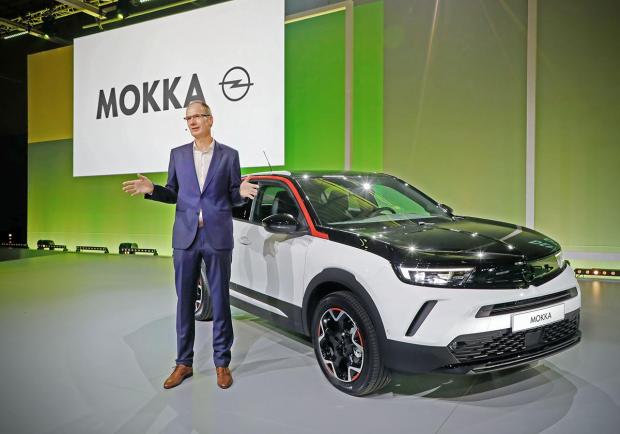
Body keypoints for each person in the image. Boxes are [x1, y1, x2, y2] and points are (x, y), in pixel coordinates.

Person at [122, 100, 257, 389]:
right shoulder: (178, 154)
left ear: (210, 119)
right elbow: (173, 193)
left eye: (197, 116)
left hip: (217, 236)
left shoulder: (229, 155)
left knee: (220, 300)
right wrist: (153, 190)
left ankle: (222, 363)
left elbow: (232, 195)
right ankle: (184, 363)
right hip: (186, 238)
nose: (192, 122)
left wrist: (241, 193)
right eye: (188, 118)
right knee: (185, 301)